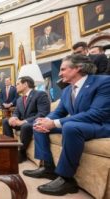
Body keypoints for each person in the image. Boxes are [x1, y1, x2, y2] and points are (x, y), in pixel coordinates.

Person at [23, 54, 110, 196]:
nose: (59, 73)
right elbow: (58, 112)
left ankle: (66, 179)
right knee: (38, 124)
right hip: (81, 124)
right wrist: (46, 121)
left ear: (78, 68)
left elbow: (97, 114)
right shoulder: (67, 90)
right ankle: (48, 167)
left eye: (63, 69)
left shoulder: (104, 82)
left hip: (101, 125)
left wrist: (54, 123)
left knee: (70, 127)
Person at [2, 76, 50, 163]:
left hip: (33, 123)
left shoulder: (40, 94)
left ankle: (22, 153)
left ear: (25, 84)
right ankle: (11, 148)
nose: (15, 86)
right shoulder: (20, 99)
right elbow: (17, 112)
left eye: (17, 84)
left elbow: (42, 114)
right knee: (5, 121)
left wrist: (23, 121)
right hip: (23, 123)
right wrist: (14, 117)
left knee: (25, 126)